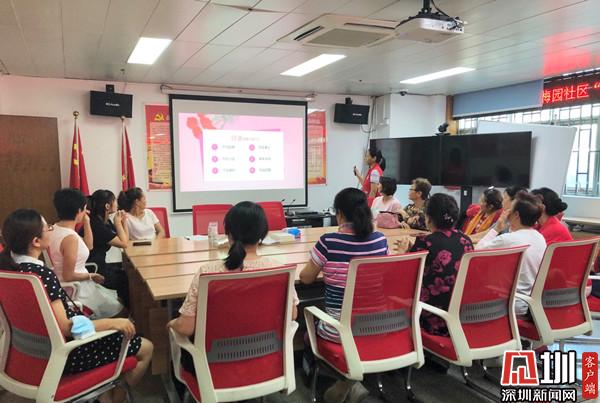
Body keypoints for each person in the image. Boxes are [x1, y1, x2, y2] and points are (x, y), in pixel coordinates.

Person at [0, 209, 153, 403]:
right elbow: (66, 327)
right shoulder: (41, 276)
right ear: (36, 241)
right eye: (48, 228)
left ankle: (104, 393)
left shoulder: (10, 270)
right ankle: (116, 398)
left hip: (27, 356)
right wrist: (113, 323)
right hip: (66, 355)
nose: (51, 230)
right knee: (146, 347)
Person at [168, 202, 299, 373]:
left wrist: (171, 324)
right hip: (267, 361)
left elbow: (186, 328)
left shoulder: (208, 272)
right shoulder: (279, 269)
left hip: (212, 367)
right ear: (263, 234)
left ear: (228, 234)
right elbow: (292, 314)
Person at [300, 188, 388, 403]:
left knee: (306, 332)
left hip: (339, 331)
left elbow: (306, 279)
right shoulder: (380, 240)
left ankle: (339, 380)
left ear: (339, 213)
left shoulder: (329, 242)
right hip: (377, 325)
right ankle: (352, 381)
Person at [395, 194, 474, 336]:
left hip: (433, 318)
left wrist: (402, 253)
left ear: (428, 218)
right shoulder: (466, 240)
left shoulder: (425, 242)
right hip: (462, 315)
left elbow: (403, 279)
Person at [48, 188, 123, 319]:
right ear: (79, 211)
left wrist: (87, 222)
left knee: (116, 301)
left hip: (75, 284)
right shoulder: (70, 238)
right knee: (121, 310)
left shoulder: (55, 229)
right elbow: (68, 275)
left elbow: (88, 246)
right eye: (84, 208)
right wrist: (91, 276)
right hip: (78, 289)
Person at [476, 191, 546, 316]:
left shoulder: (507, 240)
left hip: (509, 303)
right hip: (530, 303)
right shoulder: (540, 238)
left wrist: (497, 228)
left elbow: (476, 252)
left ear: (516, 215)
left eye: (509, 209)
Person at [87, 189, 131, 308]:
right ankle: (126, 310)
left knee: (127, 274)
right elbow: (124, 244)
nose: (117, 203)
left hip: (100, 264)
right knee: (125, 279)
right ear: (107, 206)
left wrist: (123, 222)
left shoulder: (104, 221)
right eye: (114, 201)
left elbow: (125, 239)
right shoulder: (96, 225)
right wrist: (118, 222)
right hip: (94, 269)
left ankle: (125, 308)